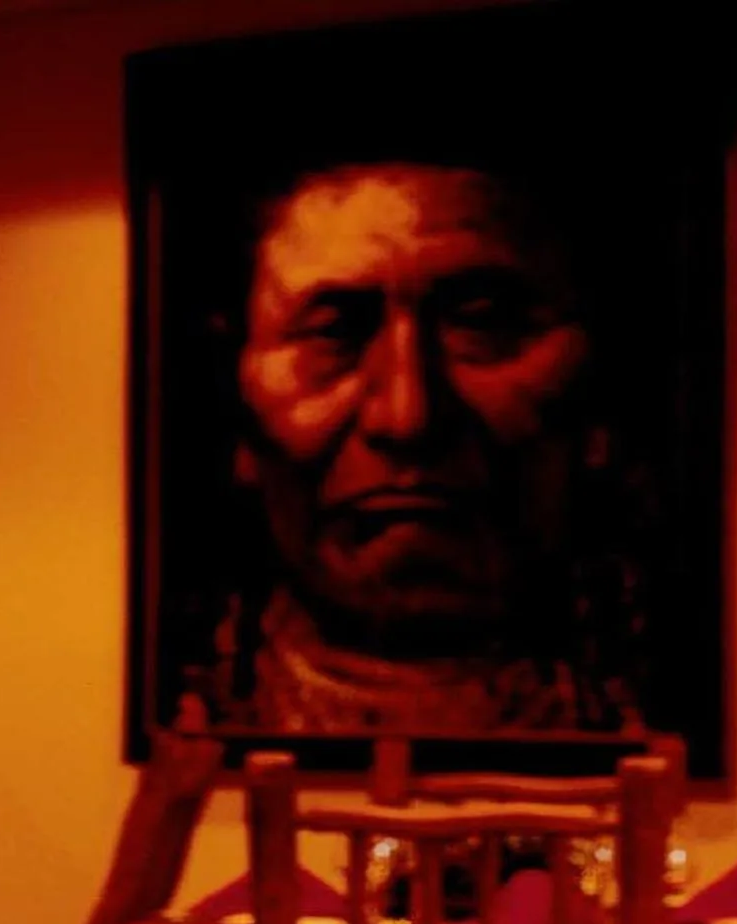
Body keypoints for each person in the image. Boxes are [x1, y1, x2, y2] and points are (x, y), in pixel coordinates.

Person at [178, 152, 648, 738]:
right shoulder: (192, 709)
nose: (409, 417)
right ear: (236, 406)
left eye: (482, 323)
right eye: (333, 334)